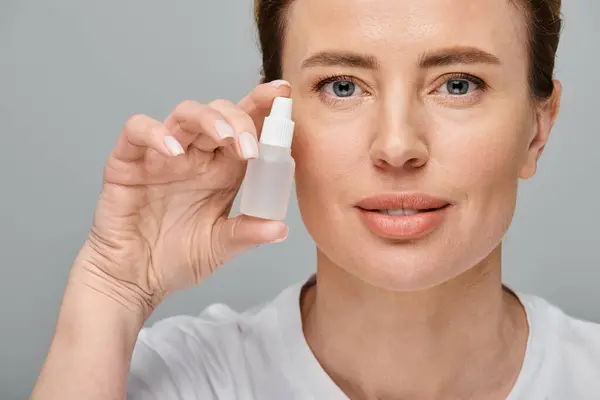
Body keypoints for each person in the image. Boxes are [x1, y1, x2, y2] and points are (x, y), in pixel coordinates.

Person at [31, 0, 600, 399]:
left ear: (537, 129)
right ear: (277, 117)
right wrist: (113, 286)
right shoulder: (176, 380)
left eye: (458, 84)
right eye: (343, 86)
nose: (397, 146)